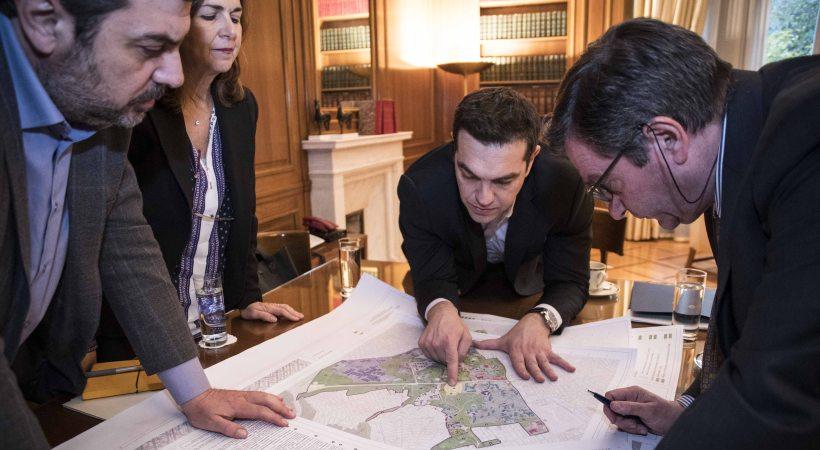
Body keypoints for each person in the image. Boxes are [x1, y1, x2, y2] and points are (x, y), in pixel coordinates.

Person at [0, 1, 295, 447]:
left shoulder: (104, 106)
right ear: (44, 21)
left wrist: (195, 392)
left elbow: (128, 245)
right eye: (149, 47)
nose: (174, 76)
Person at [547, 18, 820, 448]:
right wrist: (686, 411)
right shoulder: (732, 150)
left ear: (667, 139)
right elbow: (747, 329)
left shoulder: (807, 144)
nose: (615, 210)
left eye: (607, 186)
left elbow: (778, 390)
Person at [96, 0, 303, 362]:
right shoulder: (138, 107)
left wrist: (249, 296)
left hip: (216, 328)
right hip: (141, 335)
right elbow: (117, 234)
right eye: (210, 15)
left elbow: (245, 212)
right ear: (177, 26)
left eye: (236, 17)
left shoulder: (241, 107)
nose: (230, 30)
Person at [398, 87, 593, 386]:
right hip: (458, 285)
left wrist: (540, 320)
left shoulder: (564, 184)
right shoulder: (421, 187)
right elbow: (431, 273)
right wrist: (440, 309)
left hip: (527, 290)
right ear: (455, 150)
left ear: (531, 160)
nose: (483, 198)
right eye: (469, 174)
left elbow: (571, 280)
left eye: (503, 181)